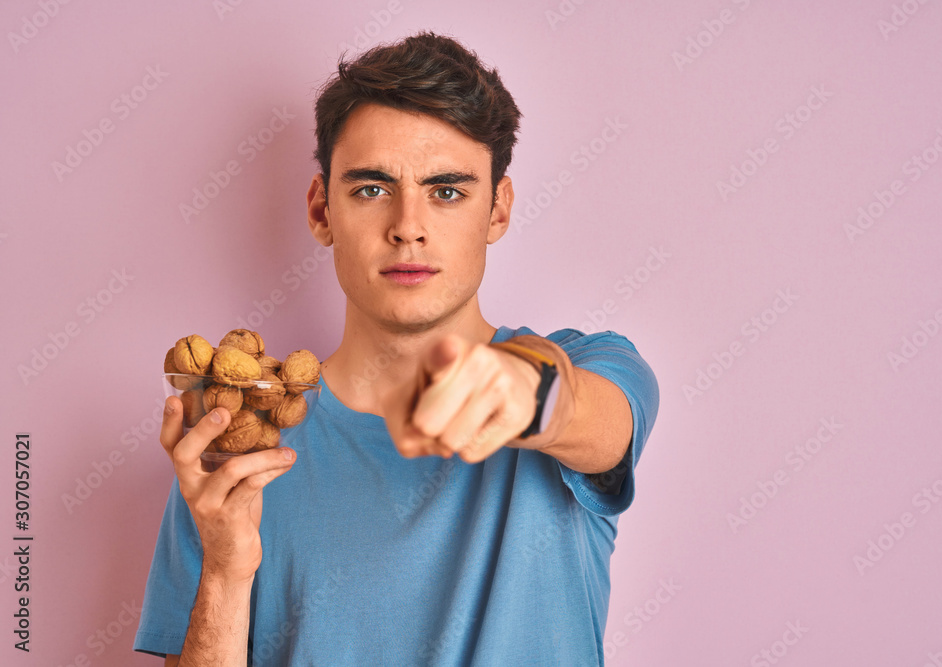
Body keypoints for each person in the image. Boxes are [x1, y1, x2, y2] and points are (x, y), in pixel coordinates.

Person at [134, 31, 659, 666]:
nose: (407, 226)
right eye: (372, 189)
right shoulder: (242, 439)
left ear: (498, 210)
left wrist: (525, 394)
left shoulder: (592, 364)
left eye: (447, 191)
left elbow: (589, 418)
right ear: (322, 210)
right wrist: (224, 570)